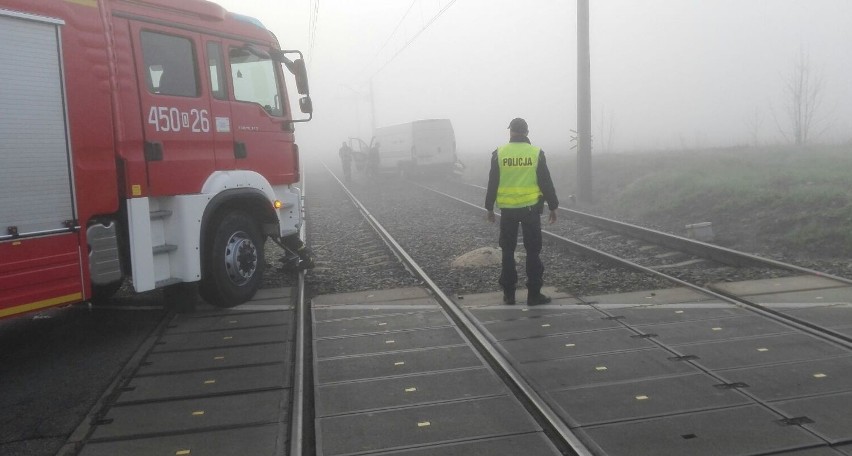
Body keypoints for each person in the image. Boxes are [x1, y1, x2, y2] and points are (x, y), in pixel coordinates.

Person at [485, 118, 558, 305]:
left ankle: (509, 294)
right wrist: (553, 206)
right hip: (530, 210)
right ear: (526, 132)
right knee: (533, 251)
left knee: (508, 251)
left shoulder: (499, 153)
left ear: (511, 132)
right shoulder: (536, 153)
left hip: (508, 211)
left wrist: (489, 207)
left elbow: (493, 181)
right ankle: (534, 294)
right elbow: (545, 181)